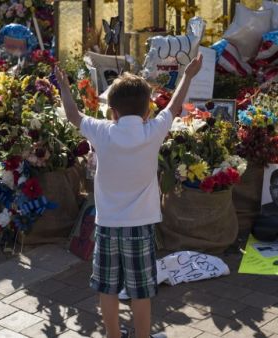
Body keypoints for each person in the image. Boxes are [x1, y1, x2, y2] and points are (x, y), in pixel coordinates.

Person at [56, 54, 203, 338]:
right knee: (140, 290)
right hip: (140, 226)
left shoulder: (102, 131)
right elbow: (173, 107)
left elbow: (74, 117)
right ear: (147, 109)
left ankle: (113, 335)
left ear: (112, 111)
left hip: (108, 225)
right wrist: (189, 74)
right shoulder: (153, 131)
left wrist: (64, 86)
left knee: (107, 287)